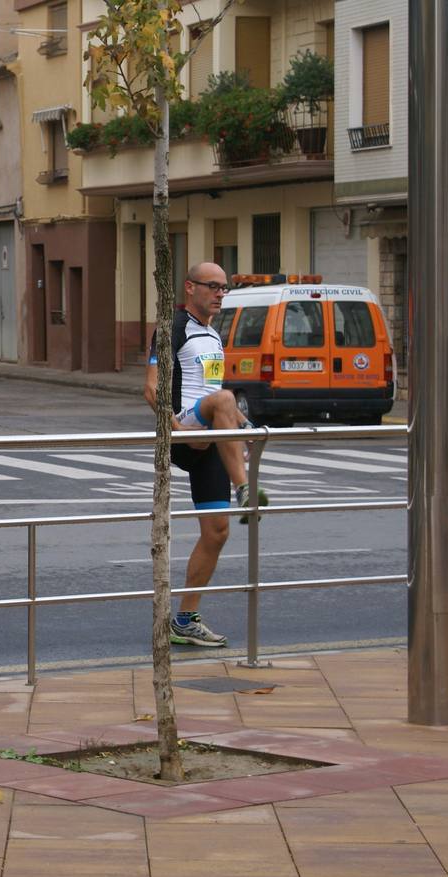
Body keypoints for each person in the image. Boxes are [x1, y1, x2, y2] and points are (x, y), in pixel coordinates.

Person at [144, 261, 268, 648]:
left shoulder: (213, 335)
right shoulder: (173, 328)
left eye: (223, 288)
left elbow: (214, 391)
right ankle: (246, 489)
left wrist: (245, 428)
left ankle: (185, 618)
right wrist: (174, 429)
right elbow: (151, 388)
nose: (219, 293)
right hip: (186, 429)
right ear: (189, 287)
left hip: (212, 437)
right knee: (226, 397)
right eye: (212, 286)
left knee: (217, 532)